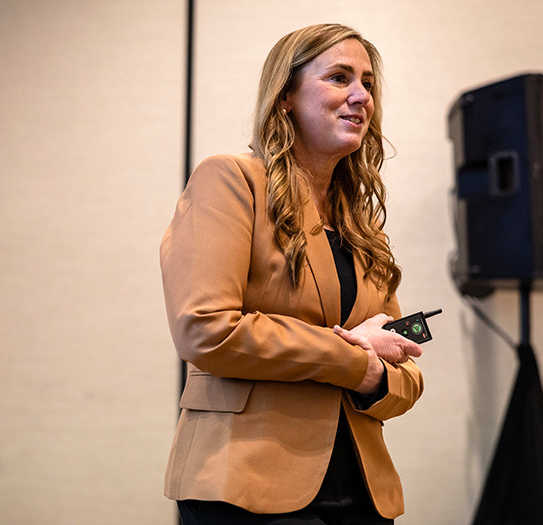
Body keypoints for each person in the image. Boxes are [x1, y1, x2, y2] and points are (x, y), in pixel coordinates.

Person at [160, 23, 425, 524]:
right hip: (245, 484)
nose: (360, 96)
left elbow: (406, 366)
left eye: (368, 83)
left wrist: (379, 375)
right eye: (339, 77)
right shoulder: (232, 180)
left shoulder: (364, 227)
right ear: (286, 96)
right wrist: (359, 360)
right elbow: (207, 328)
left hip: (363, 494)